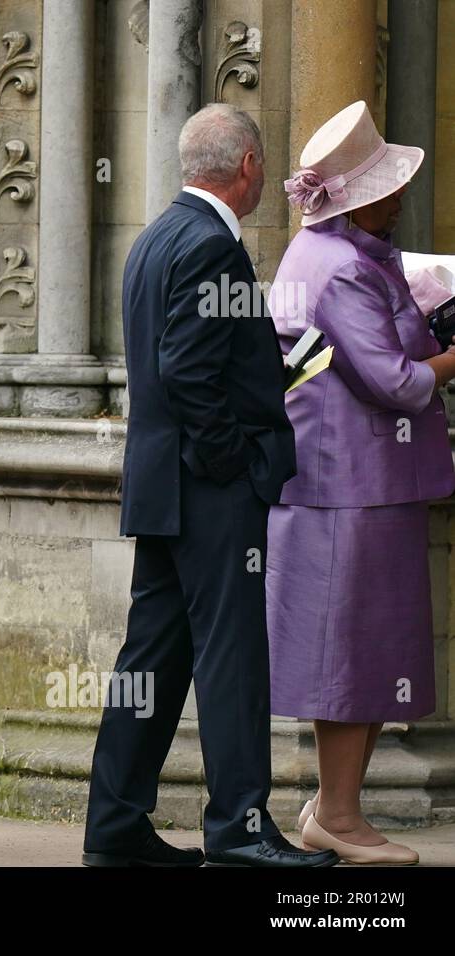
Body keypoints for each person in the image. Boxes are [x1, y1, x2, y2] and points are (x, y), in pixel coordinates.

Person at [82, 103, 338, 868]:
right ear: (250, 166)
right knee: (232, 656)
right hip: (207, 490)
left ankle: (116, 825)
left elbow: (190, 365)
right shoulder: (211, 247)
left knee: (151, 661)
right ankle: (239, 829)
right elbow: (189, 375)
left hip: (166, 487)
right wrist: (238, 465)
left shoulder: (157, 237)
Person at [268, 100, 455, 865]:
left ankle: (333, 808)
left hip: (356, 482)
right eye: (387, 183)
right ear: (358, 195)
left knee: (367, 650)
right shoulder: (341, 266)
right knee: (353, 654)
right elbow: (397, 383)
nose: (400, 194)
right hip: (353, 486)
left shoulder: (328, 253)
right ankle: (337, 815)